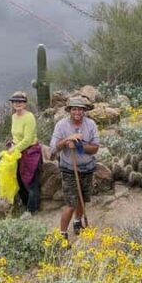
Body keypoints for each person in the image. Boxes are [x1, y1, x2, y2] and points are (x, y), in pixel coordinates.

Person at [50, 96, 100, 242]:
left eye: (80, 109)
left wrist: (79, 145)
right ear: (69, 110)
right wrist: (67, 140)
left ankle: (77, 222)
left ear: (84, 111)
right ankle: (62, 234)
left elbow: (95, 148)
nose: (77, 112)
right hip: (69, 169)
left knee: (82, 199)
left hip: (87, 168)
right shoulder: (61, 125)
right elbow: (53, 148)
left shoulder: (91, 124)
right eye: (74, 109)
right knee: (71, 204)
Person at [7, 91, 42, 216]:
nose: (17, 104)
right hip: (18, 152)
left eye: (20, 101)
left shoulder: (29, 117)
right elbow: (15, 136)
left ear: (25, 103)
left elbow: (27, 139)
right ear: (12, 104)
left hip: (30, 152)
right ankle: (26, 205)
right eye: (15, 101)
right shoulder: (14, 117)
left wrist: (14, 149)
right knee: (20, 181)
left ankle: (32, 210)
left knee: (31, 183)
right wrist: (12, 144)